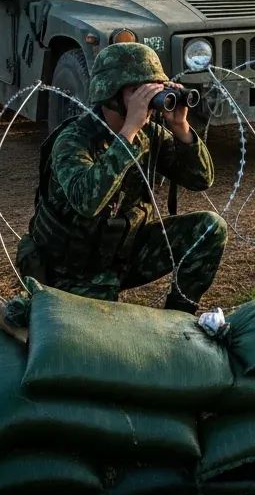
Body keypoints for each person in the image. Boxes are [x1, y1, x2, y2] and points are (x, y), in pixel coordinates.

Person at [15, 42, 227, 312]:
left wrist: (180, 126)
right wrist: (127, 133)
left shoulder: (149, 133)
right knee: (103, 337)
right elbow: (87, 202)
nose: (148, 98)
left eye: (154, 88)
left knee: (210, 228)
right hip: (72, 267)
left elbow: (202, 180)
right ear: (111, 94)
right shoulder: (74, 140)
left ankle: (179, 317)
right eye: (137, 90)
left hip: (125, 252)